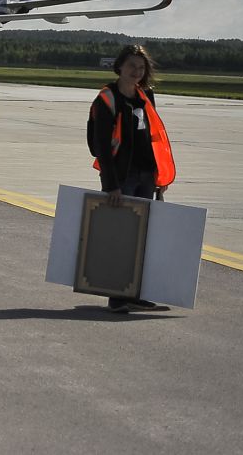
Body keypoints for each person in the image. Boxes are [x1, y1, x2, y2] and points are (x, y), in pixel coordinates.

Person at [86, 43, 177, 313]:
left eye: (141, 67)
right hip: (121, 178)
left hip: (145, 175)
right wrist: (111, 185)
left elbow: (152, 138)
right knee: (119, 237)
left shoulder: (145, 95)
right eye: (131, 67)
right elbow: (100, 146)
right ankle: (116, 296)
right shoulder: (107, 98)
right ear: (120, 67)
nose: (136, 72)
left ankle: (134, 294)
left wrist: (159, 177)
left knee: (140, 237)